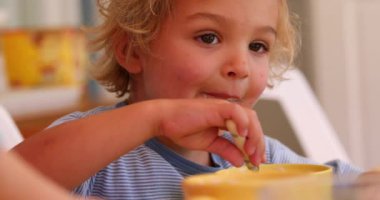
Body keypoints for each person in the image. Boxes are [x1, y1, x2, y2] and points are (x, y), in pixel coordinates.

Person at [12, 0, 361, 199]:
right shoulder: (97, 148)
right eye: (208, 37)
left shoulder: (264, 159)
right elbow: (16, 177)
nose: (239, 66)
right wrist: (155, 118)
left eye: (258, 46)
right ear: (133, 49)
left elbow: (353, 186)